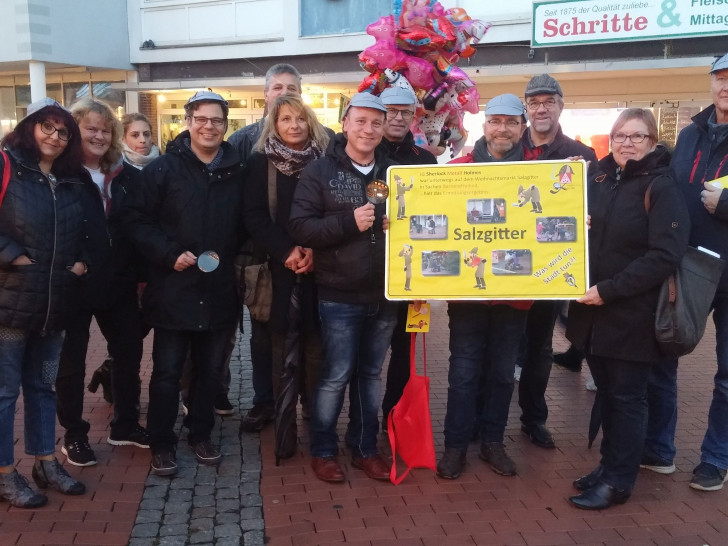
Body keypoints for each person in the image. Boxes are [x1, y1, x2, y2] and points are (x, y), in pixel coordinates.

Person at [567, 108, 689, 510]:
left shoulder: (662, 186)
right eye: (620, 136)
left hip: (630, 315)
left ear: (652, 142)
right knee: (609, 394)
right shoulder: (599, 180)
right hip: (594, 314)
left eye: (637, 137)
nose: (627, 144)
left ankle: (619, 480)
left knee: (627, 398)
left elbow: (664, 256)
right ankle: (608, 467)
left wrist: (610, 290)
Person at [123, 91, 246, 476]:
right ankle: (161, 441)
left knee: (210, 373)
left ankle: (200, 433)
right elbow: (135, 220)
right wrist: (167, 253)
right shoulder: (163, 170)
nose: (209, 126)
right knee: (166, 373)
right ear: (188, 122)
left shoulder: (238, 170)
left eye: (217, 120)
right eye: (201, 119)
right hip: (173, 286)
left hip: (218, 287)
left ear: (226, 126)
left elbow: (249, 224)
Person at [289, 92, 397, 483]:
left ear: (384, 129)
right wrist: (350, 222)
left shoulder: (396, 173)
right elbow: (301, 227)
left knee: (370, 376)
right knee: (335, 375)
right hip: (338, 294)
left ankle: (365, 449)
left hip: (385, 296)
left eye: (376, 123)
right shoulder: (320, 171)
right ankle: (322, 450)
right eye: (361, 121)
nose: (368, 130)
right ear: (346, 123)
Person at [436, 94, 533, 480]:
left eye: (511, 122)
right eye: (495, 121)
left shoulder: (542, 172)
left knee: (501, 373)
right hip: (468, 295)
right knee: (463, 373)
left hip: (515, 295)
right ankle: (455, 447)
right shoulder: (459, 168)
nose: (503, 129)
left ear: (523, 128)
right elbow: (434, 216)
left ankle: (493, 441)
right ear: (484, 126)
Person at [0, 98, 86, 507]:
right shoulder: (6, 166)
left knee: (42, 386)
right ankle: (3, 472)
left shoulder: (70, 180)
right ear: (30, 127)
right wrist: (9, 253)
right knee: (4, 392)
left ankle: (45, 460)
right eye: (47, 127)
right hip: (10, 302)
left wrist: (81, 263)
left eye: (63, 132)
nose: (55, 136)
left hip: (54, 305)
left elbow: (87, 228)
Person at [54, 98, 148, 467]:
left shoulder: (127, 176)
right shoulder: (60, 175)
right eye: (90, 128)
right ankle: (73, 434)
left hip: (118, 280)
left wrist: (141, 275)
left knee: (128, 352)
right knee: (71, 362)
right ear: (75, 131)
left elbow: (138, 228)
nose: (98, 135)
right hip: (75, 282)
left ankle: (124, 424)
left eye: (105, 130)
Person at [243, 95, 329, 461]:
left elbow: (331, 210)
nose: (294, 125)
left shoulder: (326, 161)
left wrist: (312, 250)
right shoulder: (259, 163)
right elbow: (253, 214)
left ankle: (312, 410)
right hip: (278, 267)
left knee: (316, 342)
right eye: (285, 119)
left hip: (319, 266)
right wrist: (287, 251)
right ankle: (283, 421)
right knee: (279, 348)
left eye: (300, 119)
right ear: (273, 125)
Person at [517, 74, 599, 449]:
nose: (541, 108)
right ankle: (482, 420)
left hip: (550, 268)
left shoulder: (581, 155)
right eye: (534, 102)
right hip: (507, 263)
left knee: (539, 348)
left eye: (549, 100)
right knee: (499, 347)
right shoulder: (505, 146)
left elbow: (594, 208)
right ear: (526, 108)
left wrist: (587, 216)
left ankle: (534, 419)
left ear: (561, 105)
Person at [231, 64, 304, 431]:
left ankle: (300, 399)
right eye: (278, 87)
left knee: (307, 331)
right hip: (261, 255)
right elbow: (244, 206)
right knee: (263, 333)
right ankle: (265, 400)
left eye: (292, 86)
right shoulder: (245, 141)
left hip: (308, 259)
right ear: (266, 93)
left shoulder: (319, 143)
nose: (284, 92)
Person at [671, 51, 728, 491]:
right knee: (662, 356)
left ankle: (716, 458)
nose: (726, 85)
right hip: (688, 268)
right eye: (721, 77)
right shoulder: (690, 134)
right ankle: (657, 448)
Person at [377, 85, 437, 432]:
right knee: (367, 353)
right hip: (371, 271)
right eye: (391, 111)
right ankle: (363, 418)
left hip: (414, 274)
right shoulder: (365, 156)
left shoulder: (426, 160)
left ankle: (395, 415)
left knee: (405, 351)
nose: (398, 118)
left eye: (405, 112)